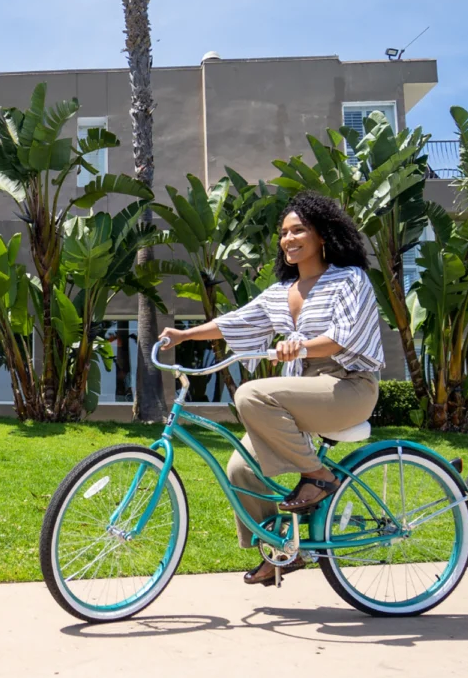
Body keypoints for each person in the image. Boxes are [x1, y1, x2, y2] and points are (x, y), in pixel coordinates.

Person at [157, 192, 383, 587]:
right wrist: (184, 334)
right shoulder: (282, 291)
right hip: (304, 389)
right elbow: (235, 323)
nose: (289, 238)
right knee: (241, 467)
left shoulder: (350, 279)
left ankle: (319, 476)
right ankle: (280, 550)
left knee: (251, 394)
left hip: (349, 386)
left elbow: (345, 338)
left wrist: (302, 346)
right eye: (284, 233)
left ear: (322, 235)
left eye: (299, 230)